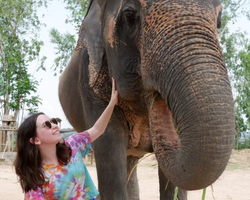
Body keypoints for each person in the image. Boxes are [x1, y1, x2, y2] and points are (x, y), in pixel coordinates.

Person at [14, 77, 119, 200]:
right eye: (46, 125)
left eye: (53, 121)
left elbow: (97, 129)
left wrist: (112, 103)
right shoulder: (36, 177)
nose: (54, 126)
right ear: (36, 140)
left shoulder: (72, 145)